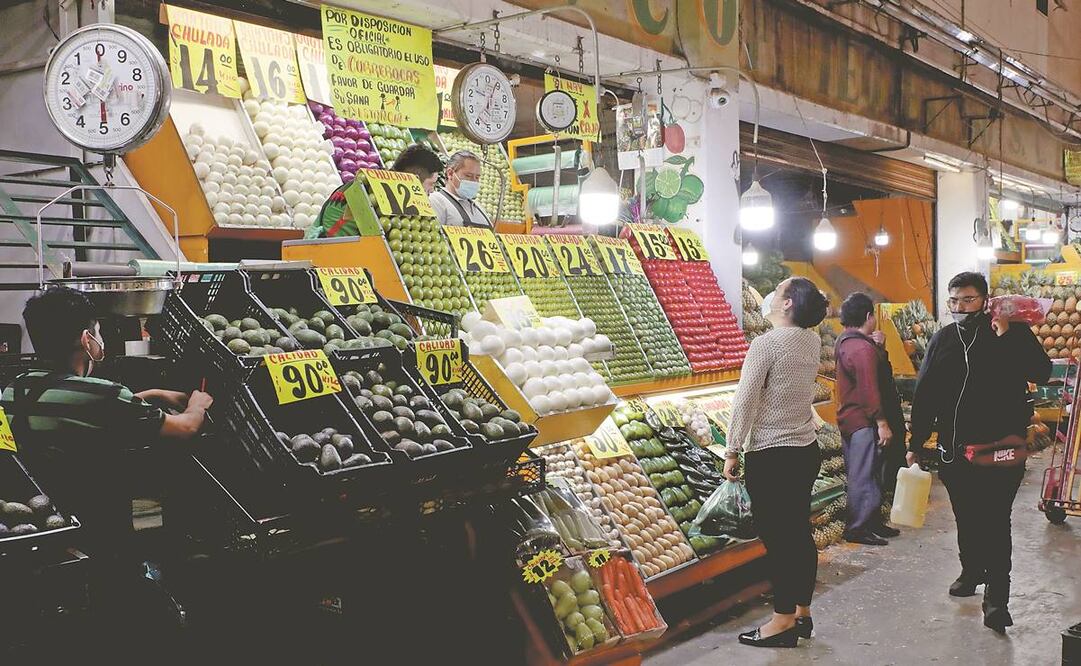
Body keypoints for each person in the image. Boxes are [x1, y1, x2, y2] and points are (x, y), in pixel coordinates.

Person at [1, 287, 212, 559]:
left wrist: (153, 394)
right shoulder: (104, 393)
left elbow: (75, 410)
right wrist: (198, 404)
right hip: (96, 525)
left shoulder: (16, 387)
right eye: (98, 333)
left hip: (41, 519)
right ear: (87, 340)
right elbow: (185, 428)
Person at [908, 271, 1051, 634]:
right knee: (967, 515)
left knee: (995, 519)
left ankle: (997, 599)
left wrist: (1008, 337)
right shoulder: (943, 340)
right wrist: (916, 443)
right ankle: (971, 570)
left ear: (986, 300)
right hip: (956, 450)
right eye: (953, 301)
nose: (959, 307)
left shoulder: (1012, 333)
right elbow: (925, 394)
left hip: (1002, 449)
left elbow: (1043, 371)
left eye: (967, 300)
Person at [723, 277, 829, 648]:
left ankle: (781, 622)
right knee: (799, 533)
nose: (771, 296)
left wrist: (732, 448)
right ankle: (802, 612)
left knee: (779, 540)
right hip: (804, 451)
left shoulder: (765, 344)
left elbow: (745, 399)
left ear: (787, 304)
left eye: (780, 290)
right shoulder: (811, 340)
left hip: (771, 454)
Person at [835, 292, 905, 546]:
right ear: (868, 317)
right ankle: (857, 527)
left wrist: (880, 349)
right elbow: (869, 389)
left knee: (871, 472)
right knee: (863, 474)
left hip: (853, 418)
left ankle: (873, 521)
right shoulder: (861, 348)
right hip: (863, 421)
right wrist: (882, 423)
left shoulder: (847, 342)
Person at [430, 150, 493, 228]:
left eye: (477, 177)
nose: (474, 181)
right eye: (468, 176)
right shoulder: (436, 200)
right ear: (450, 173)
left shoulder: (479, 208)